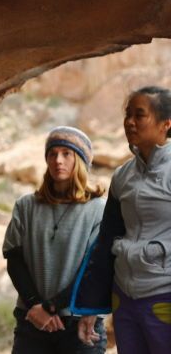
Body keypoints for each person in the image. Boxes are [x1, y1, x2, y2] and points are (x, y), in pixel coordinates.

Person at [72, 86, 171, 353]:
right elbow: (106, 240)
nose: (129, 122)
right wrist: (91, 306)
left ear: (166, 124)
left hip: (164, 294)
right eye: (128, 114)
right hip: (124, 299)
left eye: (140, 115)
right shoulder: (122, 176)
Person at [2, 126, 107, 353]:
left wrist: (50, 307)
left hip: (80, 324)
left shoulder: (99, 210)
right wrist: (35, 306)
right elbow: (13, 257)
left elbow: (95, 269)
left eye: (66, 153)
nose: (58, 160)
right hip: (32, 322)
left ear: (80, 160)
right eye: (52, 153)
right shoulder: (26, 206)